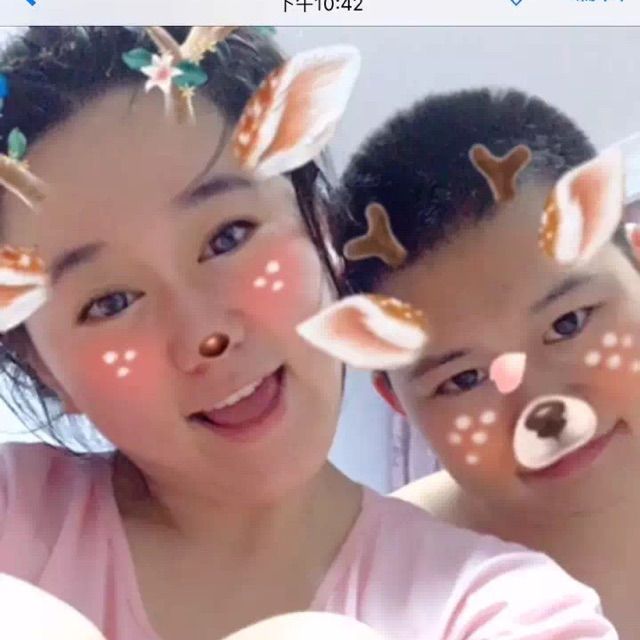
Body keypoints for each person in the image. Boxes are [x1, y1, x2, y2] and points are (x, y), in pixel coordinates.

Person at [0, 29, 618, 640]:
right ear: (46, 369)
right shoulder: (16, 515)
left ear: (320, 229)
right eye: (108, 303)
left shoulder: (496, 608)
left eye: (228, 237)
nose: (205, 335)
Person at [334, 87, 640, 638]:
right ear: (396, 402)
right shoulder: (376, 604)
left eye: (569, 324)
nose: (542, 410)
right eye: (465, 379)